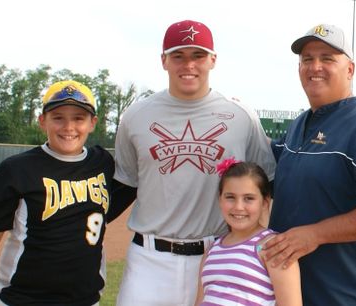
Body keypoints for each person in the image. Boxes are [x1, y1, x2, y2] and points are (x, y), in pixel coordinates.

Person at [113, 20, 276, 306]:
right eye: (178, 56)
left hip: (217, 255)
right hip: (149, 259)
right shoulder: (136, 116)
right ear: (164, 61)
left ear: (212, 60)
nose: (188, 65)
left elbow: (267, 184)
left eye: (198, 56)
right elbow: (126, 184)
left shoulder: (240, 115)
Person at [261, 24, 356, 306]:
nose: (314, 66)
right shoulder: (299, 125)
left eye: (327, 58)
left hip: (346, 295)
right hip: (293, 292)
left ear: (350, 70)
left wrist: (315, 234)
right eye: (307, 59)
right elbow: (264, 161)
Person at [0, 80, 136, 306]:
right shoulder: (16, 170)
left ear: (92, 123)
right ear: (42, 121)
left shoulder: (102, 163)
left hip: (85, 300)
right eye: (58, 117)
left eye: (79, 118)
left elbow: (106, 206)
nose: (69, 127)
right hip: (22, 299)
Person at [194, 158, 302, 306]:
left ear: (265, 202)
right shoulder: (212, 249)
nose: (238, 207)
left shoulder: (274, 247)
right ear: (220, 199)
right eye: (230, 197)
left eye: (249, 198)